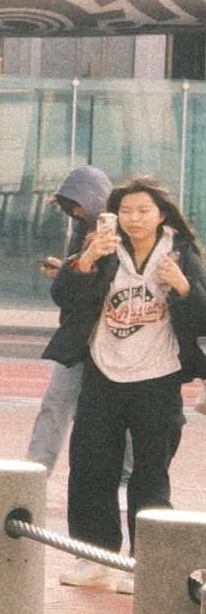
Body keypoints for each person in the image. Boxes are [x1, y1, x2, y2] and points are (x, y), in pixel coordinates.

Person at [50, 176, 203, 586]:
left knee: (151, 473)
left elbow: (202, 315)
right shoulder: (100, 246)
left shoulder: (180, 252)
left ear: (161, 215)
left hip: (158, 376)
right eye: (126, 211)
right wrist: (83, 263)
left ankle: (144, 561)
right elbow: (63, 296)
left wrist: (184, 287)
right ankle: (93, 556)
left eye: (143, 211)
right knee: (91, 466)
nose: (133, 219)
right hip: (103, 372)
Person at [23, 165, 113, 471]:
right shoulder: (80, 229)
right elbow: (77, 281)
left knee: (119, 410)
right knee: (56, 400)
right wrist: (68, 269)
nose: (74, 213)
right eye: (70, 208)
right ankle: (36, 469)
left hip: (113, 334)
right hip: (79, 334)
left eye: (77, 206)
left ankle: (125, 476)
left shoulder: (118, 228)